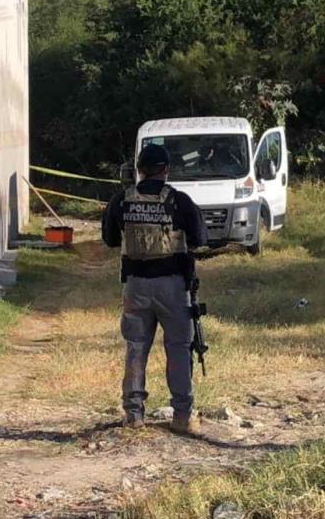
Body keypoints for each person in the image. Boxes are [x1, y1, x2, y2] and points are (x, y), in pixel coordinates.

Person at [102, 144, 208, 434]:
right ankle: (183, 415)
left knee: (136, 347)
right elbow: (199, 238)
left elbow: (110, 239)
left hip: (135, 285)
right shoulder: (179, 201)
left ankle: (134, 415)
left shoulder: (121, 200)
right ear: (166, 170)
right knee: (178, 348)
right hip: (173, 285)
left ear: (139, 169)